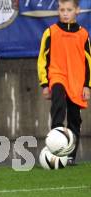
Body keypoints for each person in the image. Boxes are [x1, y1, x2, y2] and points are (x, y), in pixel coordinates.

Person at [37, 0, 91, 165]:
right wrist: (45, 84)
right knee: (58, 111)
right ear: (58, 11)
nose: (65, 13)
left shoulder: (83, 34)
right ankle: (56, 147)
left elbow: (88, 62)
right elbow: (42, 59)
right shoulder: (51, 32)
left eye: (69, 10)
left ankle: (70, 157)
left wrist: (87, 85)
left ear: (77, 11)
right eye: (62, 10)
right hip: (57, 77)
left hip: (76, 82)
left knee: (75, 120)